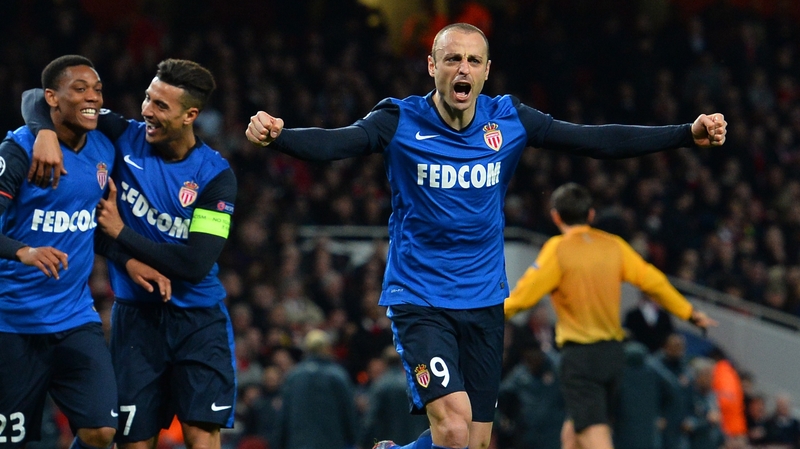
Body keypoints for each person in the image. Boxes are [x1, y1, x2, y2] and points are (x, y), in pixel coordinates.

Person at [244, 23, 726, 449]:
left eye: (473, 60)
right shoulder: (400, 120)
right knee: (451, 430)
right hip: (420, 298)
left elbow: (594, 139)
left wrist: (686, 133)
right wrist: (280, 136)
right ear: (431, 65)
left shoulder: (509, 119)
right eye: (452, 58)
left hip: (484, 302)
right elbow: (338, 142)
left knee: (472, 444)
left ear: (487, 70)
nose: (463, 68)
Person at [22, 58, 238, 449]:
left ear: (191, 115)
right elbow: (37, 97)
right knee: (133, 442)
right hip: (136, 318)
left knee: (201, 436)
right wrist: (44, 135)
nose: (146, 111)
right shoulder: (123, 135)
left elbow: (194, 264)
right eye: (147, 98)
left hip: (199, 321)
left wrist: (123, 233)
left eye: (160, 106)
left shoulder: (215, 177)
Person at [0, 55, 169, 449]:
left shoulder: (103, 149)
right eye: (80, 89)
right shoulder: (18, 150)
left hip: (75, 319)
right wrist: (23, 251)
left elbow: (87, 226)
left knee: (100, 432)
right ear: (51, 98)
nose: (92, 97)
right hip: (12, 323)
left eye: (97, 89)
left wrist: (127, 260)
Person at [504, 182, 717, 449]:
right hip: (612, 356)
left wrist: (488, 315)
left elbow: (524, 297)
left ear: (556, 216)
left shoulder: (558, 249)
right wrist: (690, 313)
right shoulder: (613, 246)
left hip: (581, 357)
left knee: (594, 433)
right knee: (573, 432)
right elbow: (654, 282)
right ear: (591, 215)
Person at [275, 329, 358, 449]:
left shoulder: (293, 377)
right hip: (332, 444)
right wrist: (353, 439)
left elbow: (284, 417)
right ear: (327, 348)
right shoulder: (338, 375)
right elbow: (348, 413)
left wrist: (279, 443)